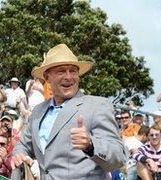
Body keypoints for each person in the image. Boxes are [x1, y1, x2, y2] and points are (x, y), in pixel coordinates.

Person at [11, 44, 127, 179]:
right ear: (47, 78)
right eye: (61, 71)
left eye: (73, 71)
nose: (68, 77)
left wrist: (91, 145)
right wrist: (19, 154)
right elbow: (23, 144)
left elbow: (119, 157)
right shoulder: (38, 111)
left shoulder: (97, 106)